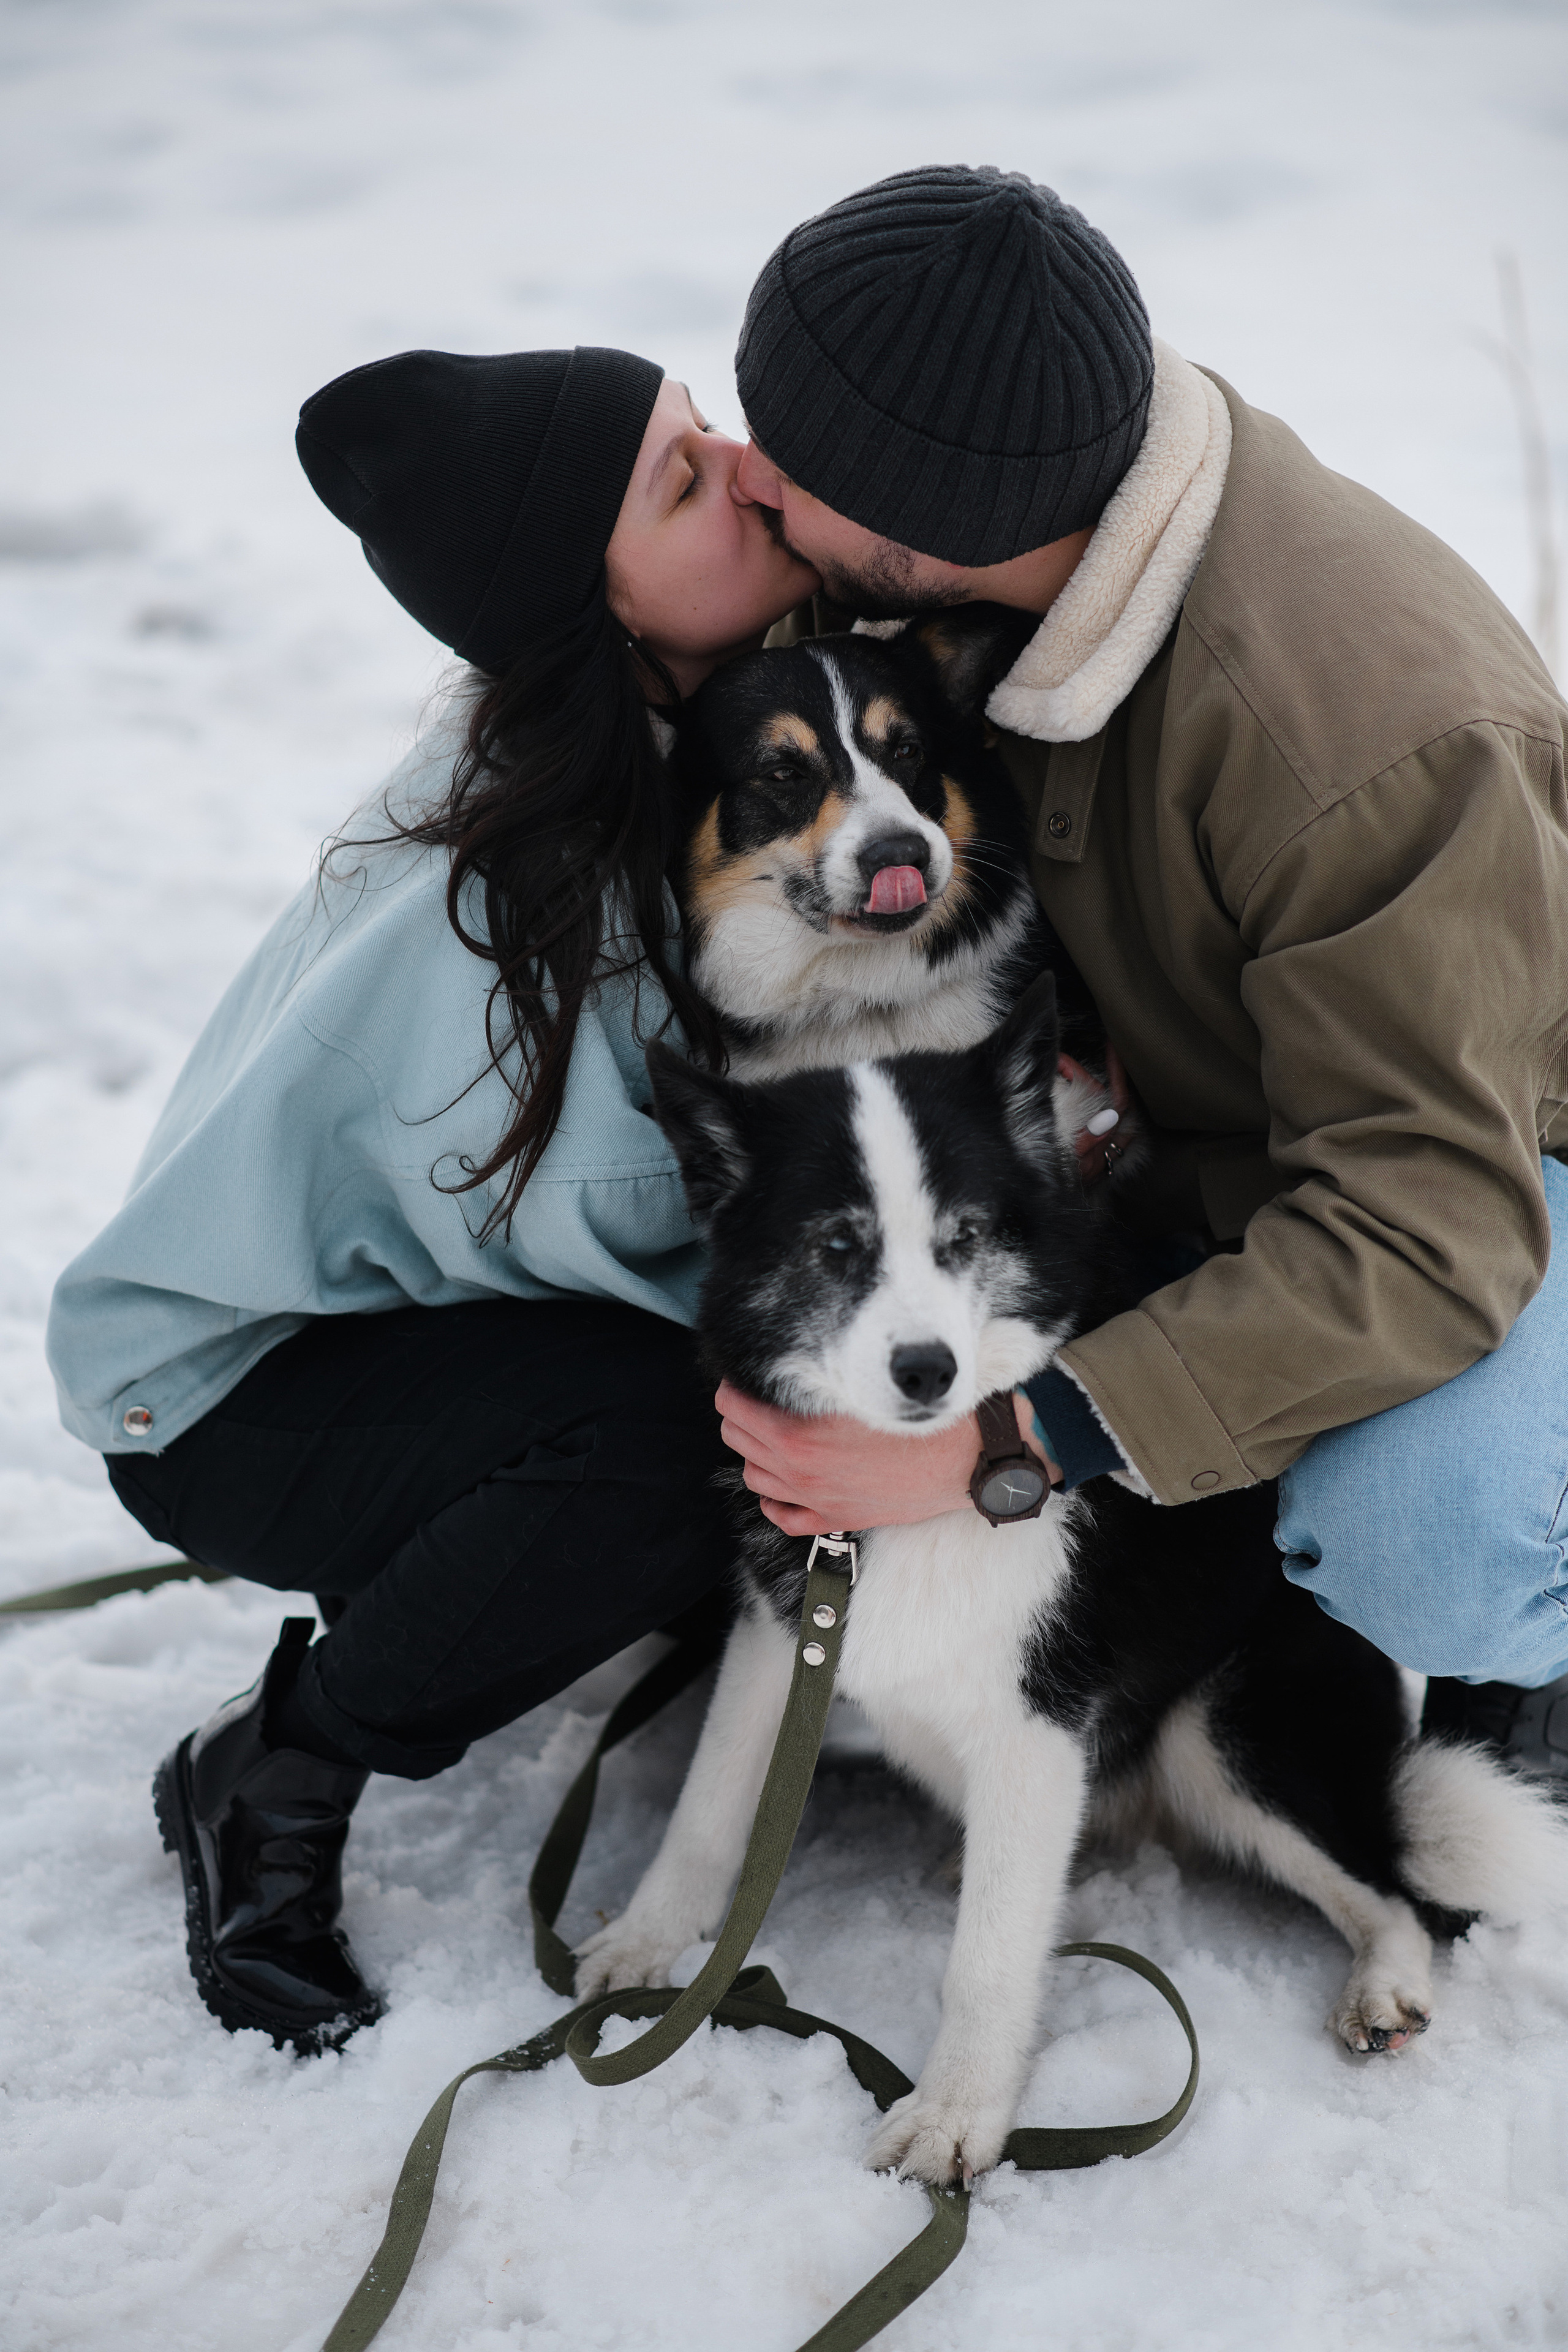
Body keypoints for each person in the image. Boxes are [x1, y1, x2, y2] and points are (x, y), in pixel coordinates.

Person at [712, 166, 1568, 1786]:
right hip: (1214, 1140)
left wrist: (1013, 1446)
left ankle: (1529, 1626)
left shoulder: (1366, 737)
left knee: (1426, 1547)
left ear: (924, 534)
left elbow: (1429, 1219)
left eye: (792, 465)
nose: (750, 481)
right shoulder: (990, 541)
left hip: (1491, 1166)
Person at [46, 347, 821, 2049]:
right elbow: (672, 1267)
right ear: (598, 618)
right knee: (689, 1437)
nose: (753, 469)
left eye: (703, 430)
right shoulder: (533, 904)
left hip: (431, 1315)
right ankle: (278, 1765)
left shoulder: (689, 734)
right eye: (685, 483)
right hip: (233, 1396)